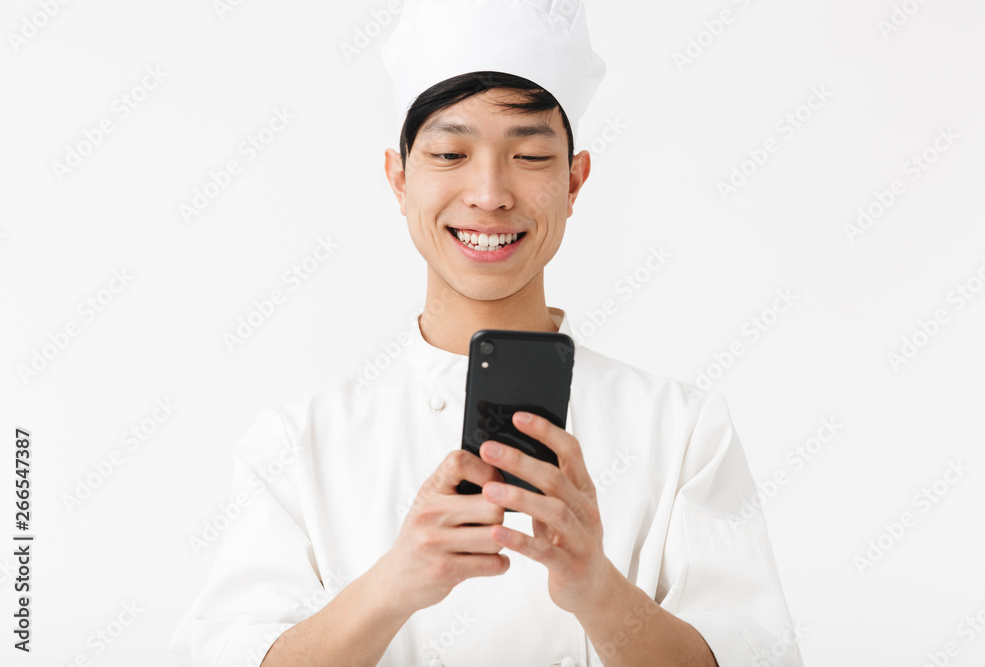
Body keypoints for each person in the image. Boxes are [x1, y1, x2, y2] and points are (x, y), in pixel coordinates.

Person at [171, 1, 804, 665]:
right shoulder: (298, 447)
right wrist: (394, 583)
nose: (490, 192)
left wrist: (599, 592)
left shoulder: (682, 432)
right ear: (399, 179)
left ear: (574, 181)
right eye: (449, 152)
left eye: (529, 154)